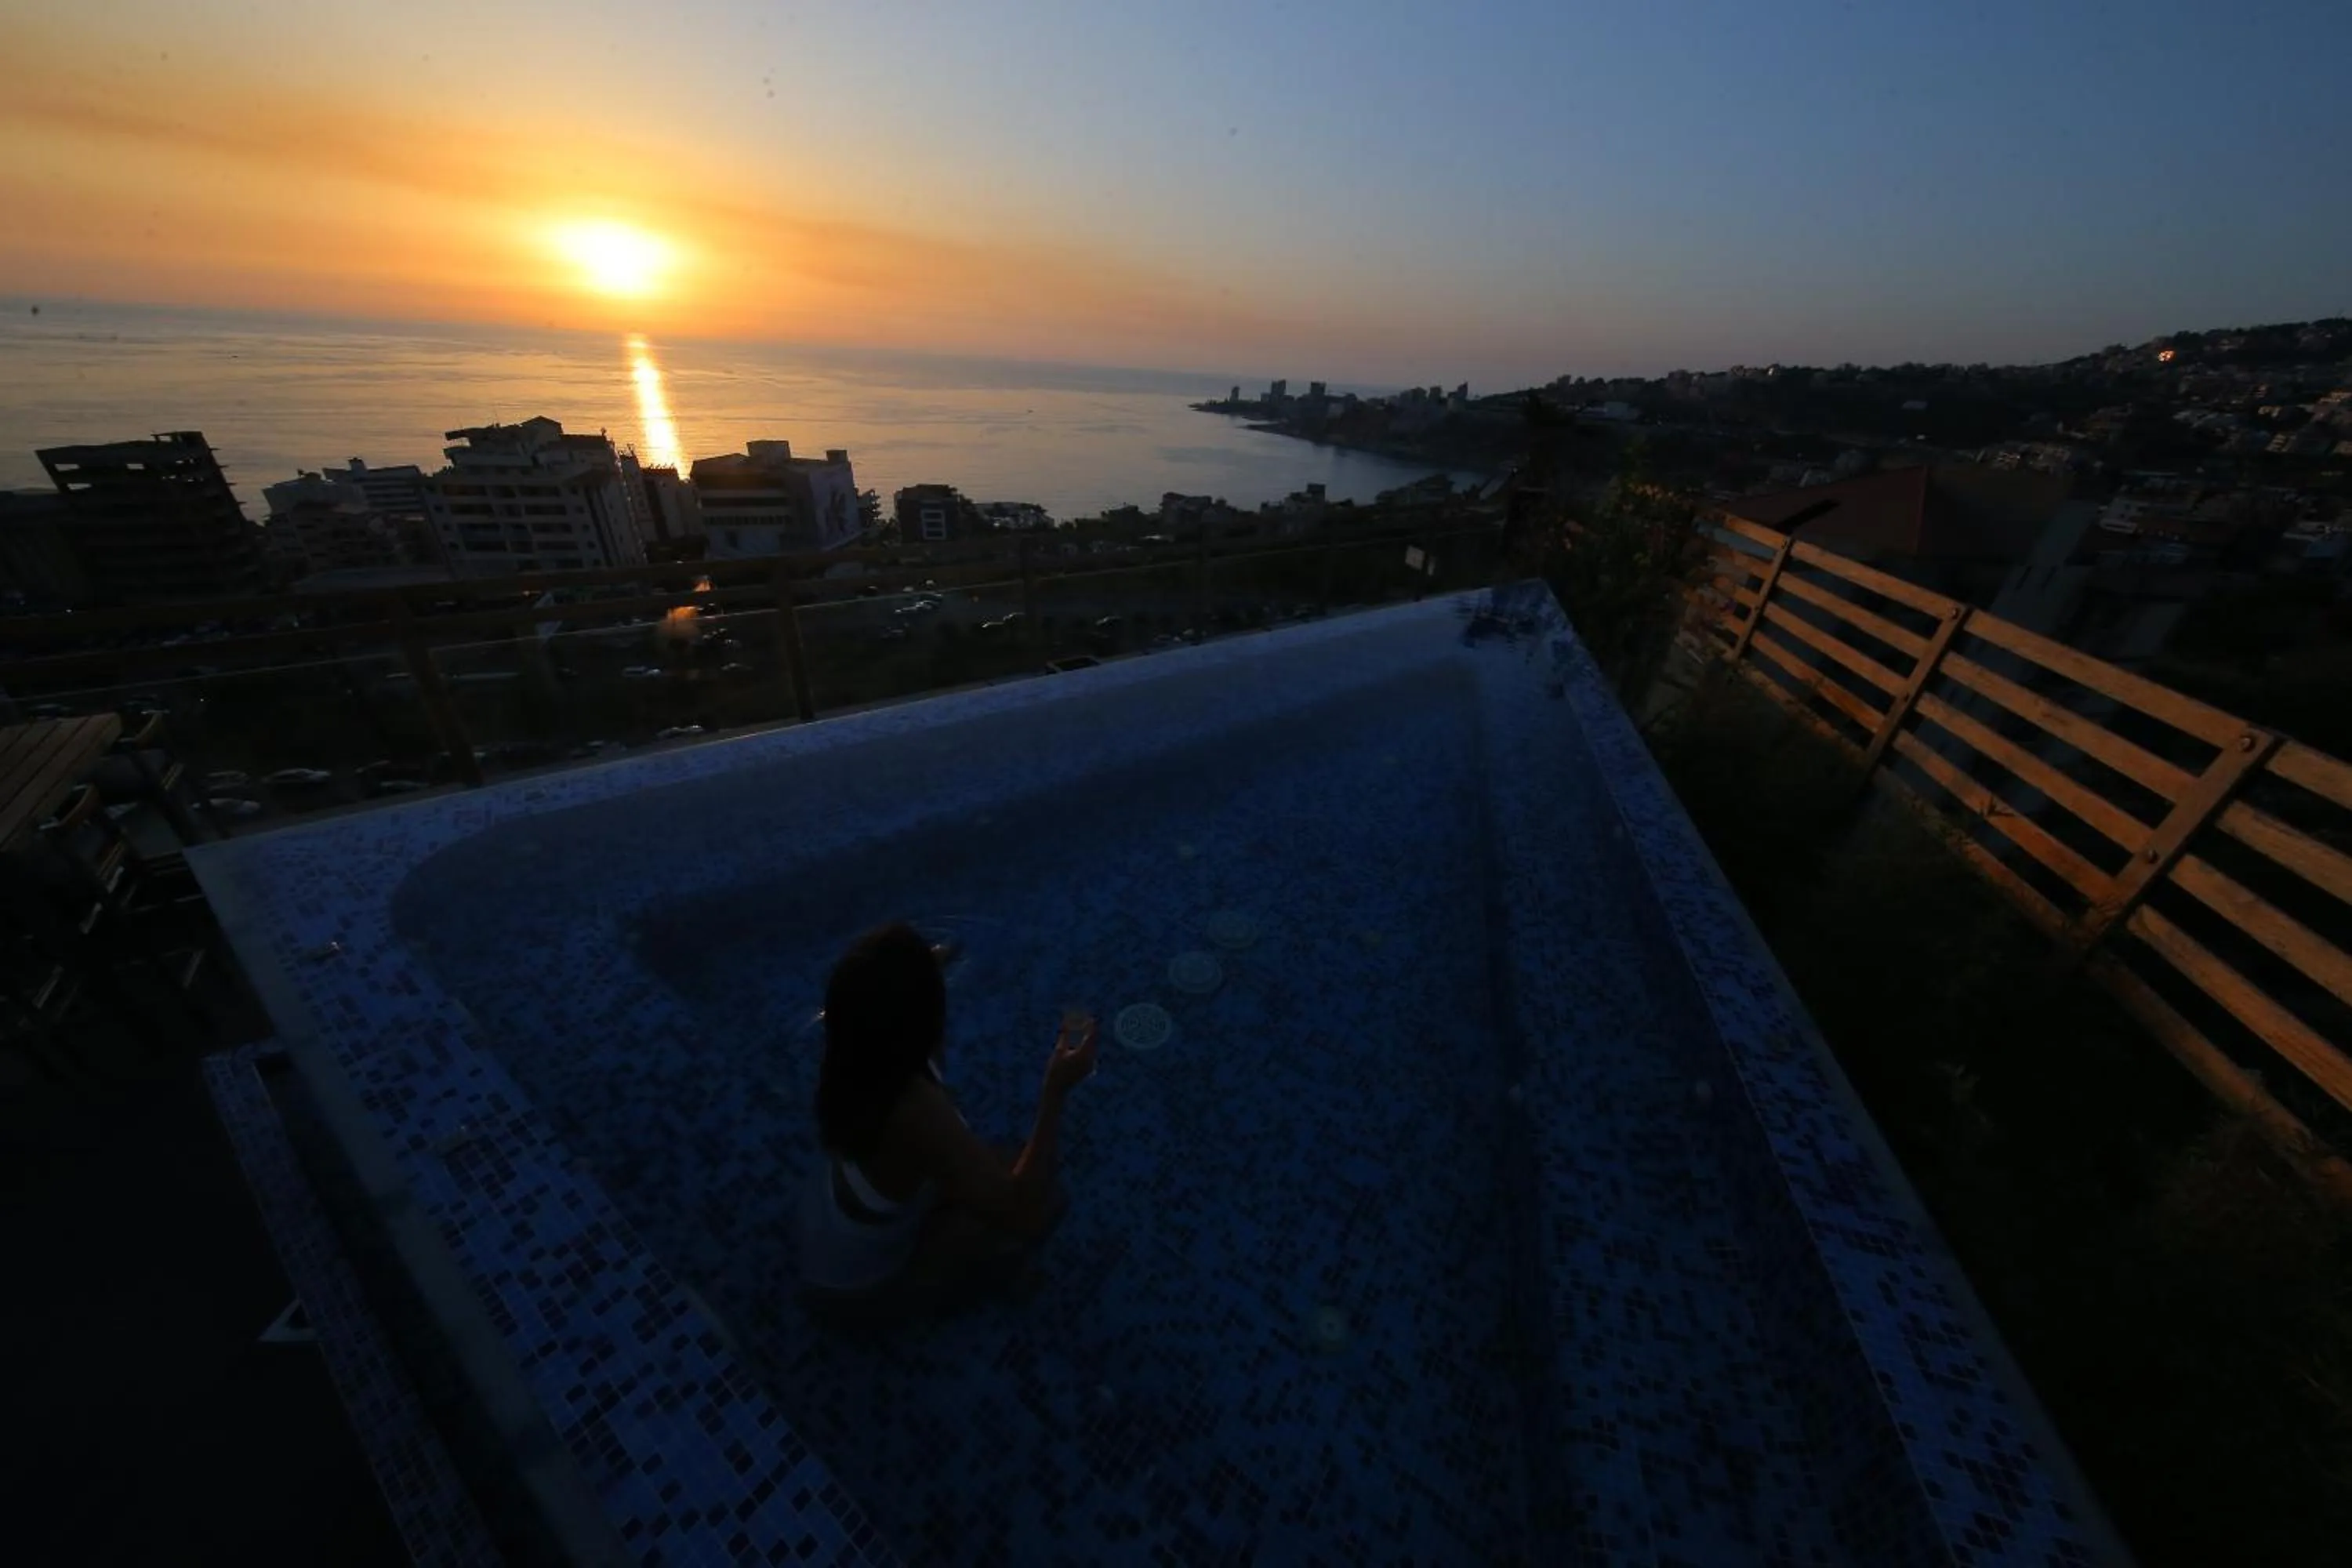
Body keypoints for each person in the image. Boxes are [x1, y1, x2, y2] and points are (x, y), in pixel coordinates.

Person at [797, 922, 1097, 1311]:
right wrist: (1056, 1090)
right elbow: (1025, 1212)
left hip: (828, 1235)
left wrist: (938, 958)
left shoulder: (858, 1050)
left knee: (1004, 1160)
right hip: (854, 1291)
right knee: (1046, 1203)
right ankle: (954, 1293)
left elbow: (876, 989)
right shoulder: (915, 1110)